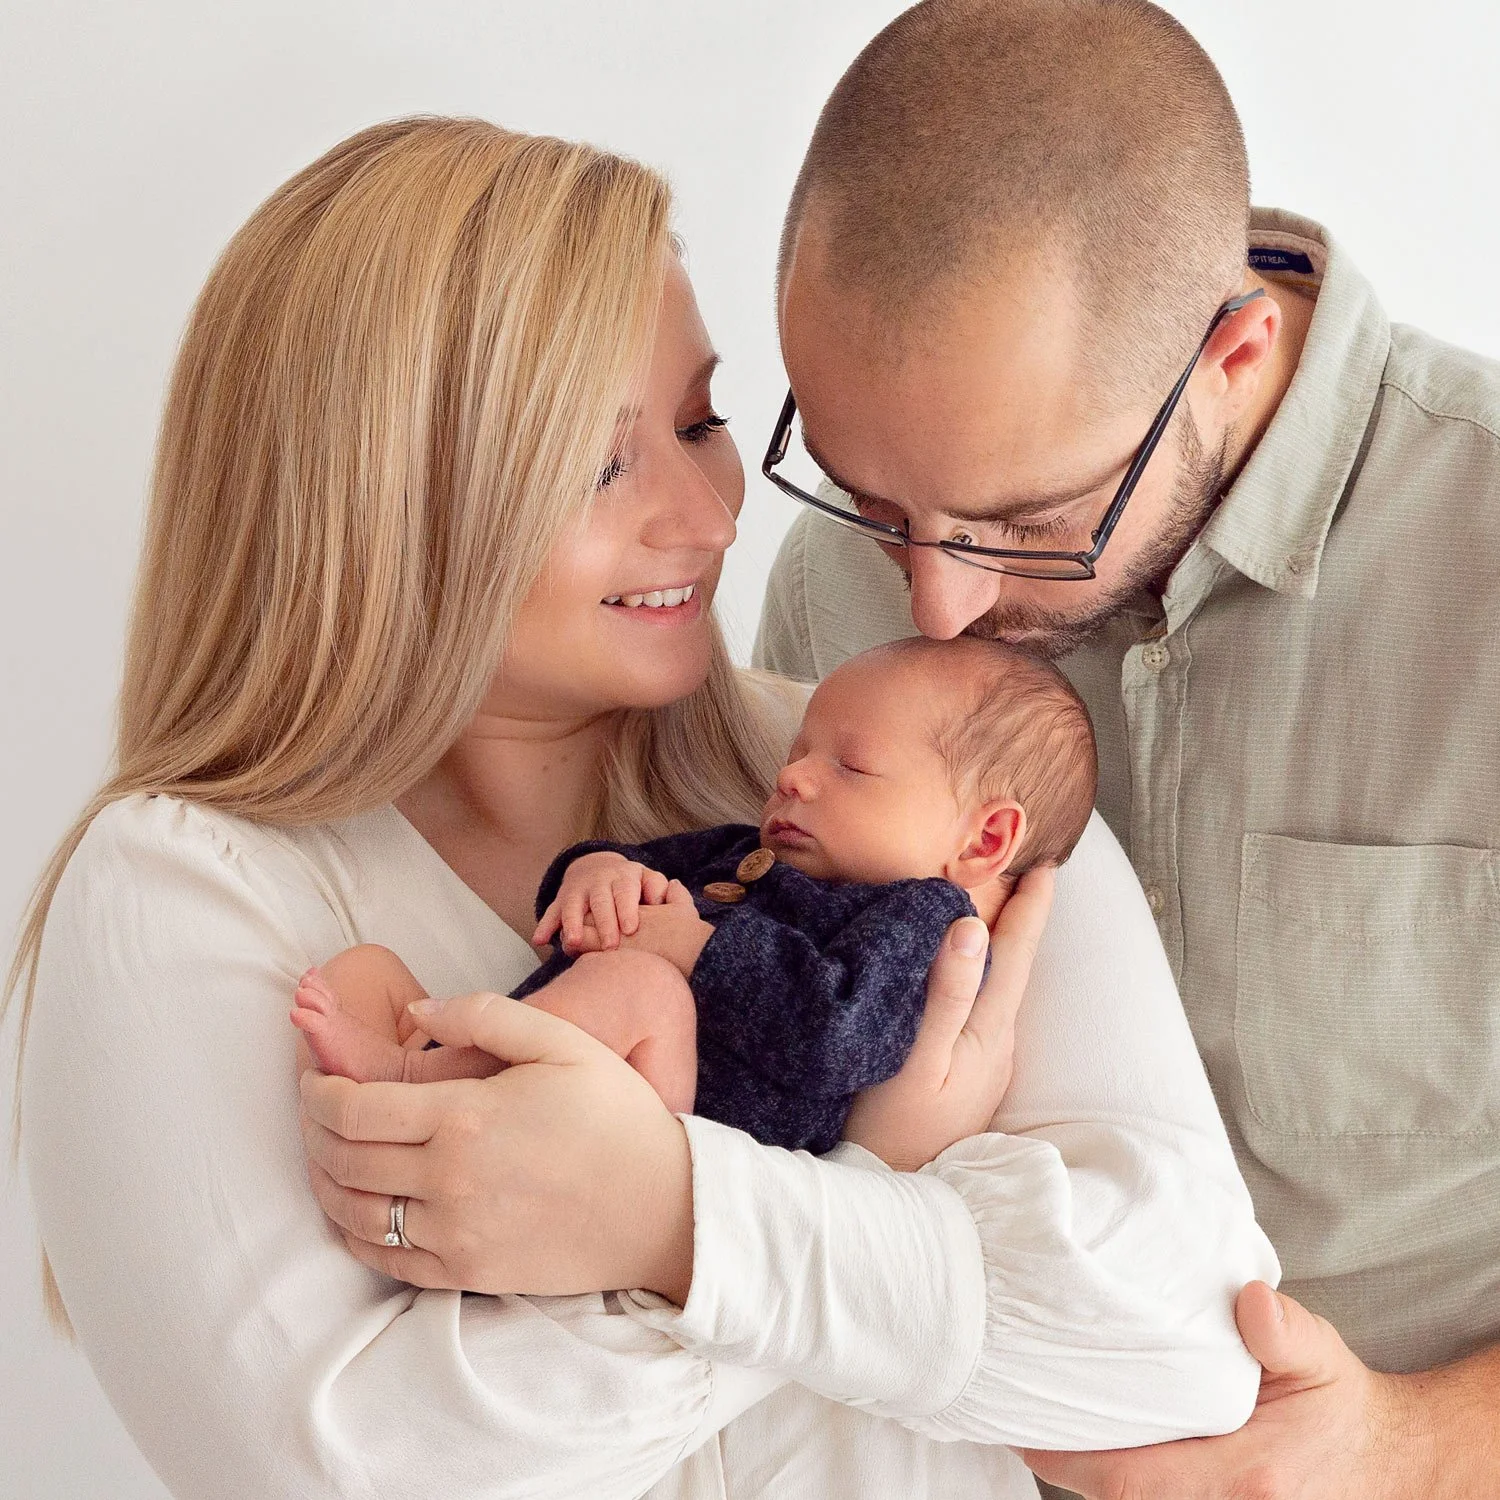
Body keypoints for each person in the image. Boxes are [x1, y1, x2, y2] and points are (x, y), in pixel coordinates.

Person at [4, 115, 1277, 1500]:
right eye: (605, 464)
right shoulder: (185, 897)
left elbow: (1185, 1357)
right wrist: (876, 1179)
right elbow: (353, 1470)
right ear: (391, 506)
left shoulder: (924, 791)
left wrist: (679, 1220)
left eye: (702, 424)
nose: (716, 516)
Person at [753, 2, 1500, 1495]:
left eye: (1028, 525)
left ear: (1233, 354)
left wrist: (1409, 1452)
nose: (933, 600)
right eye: (870, 501)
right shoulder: (839, 580)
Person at [291, 636, 1098, 1161]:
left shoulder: (919, 919)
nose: (792, 775)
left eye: (849, 766)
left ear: (984, 841)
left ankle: (416, 1079)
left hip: (670, 1132)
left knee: (641, 987)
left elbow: (840, 1041)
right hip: (564, 1070)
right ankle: (419, 1112)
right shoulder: (749, 853)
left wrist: (698, 950)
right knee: (363, 971)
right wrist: (594, 874)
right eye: (799, 749)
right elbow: (634, 873)